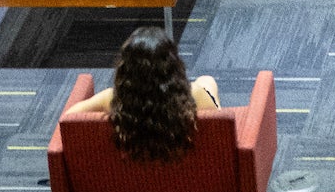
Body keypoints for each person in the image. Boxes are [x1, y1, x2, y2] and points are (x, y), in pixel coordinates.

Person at [61, 26, 220, 159]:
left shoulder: (111, 99)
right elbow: (219, 127)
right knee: (207, 81)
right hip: (189, 183)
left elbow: (68, 121)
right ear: (173, 65)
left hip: (127, 190)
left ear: (126, 68)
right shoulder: (196, 95)